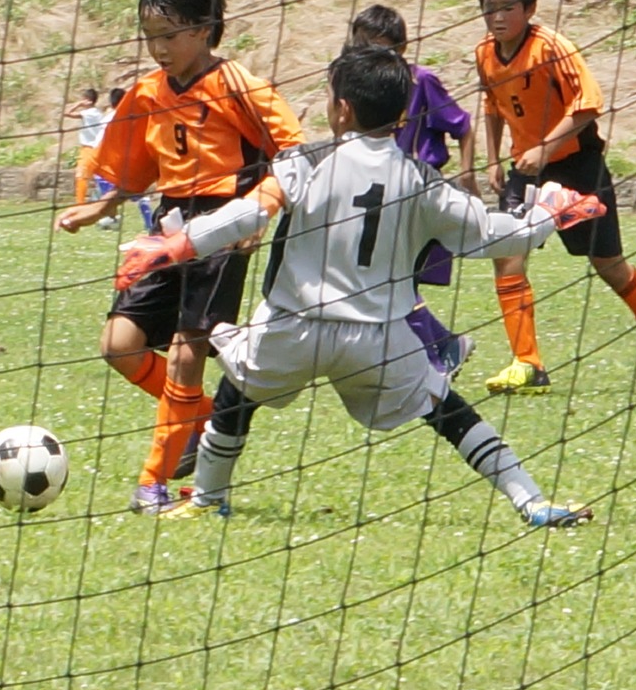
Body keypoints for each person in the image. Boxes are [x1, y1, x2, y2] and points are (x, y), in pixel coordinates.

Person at [115, 45, 601, 525]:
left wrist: (176, 244)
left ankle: (207, 498)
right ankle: (532, 502)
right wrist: (548, 214)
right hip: (377, 339)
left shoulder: (307, 161)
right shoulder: (421, 180)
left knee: (234, 397)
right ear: (402, 113)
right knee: (448, 410)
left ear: (342, 109)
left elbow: (249, 213)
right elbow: (495, 235)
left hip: (293, 327)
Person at [54, 0, 304, 514]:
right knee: (118, 345)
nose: (158, 48)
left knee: (187, 353)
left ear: (204, 28)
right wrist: (99, 208)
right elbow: (135, 168)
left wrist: (259, 211)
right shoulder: (147, 94)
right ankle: (203, 417)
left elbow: (293, 155)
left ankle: (154, 482)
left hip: (223, 226)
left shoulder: (238, 85)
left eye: (168, 35)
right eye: (149, 36)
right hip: (168, 228)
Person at [474, 0, 636, 395]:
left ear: (530, 8)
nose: (497, 17)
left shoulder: (551, 48)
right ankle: (528, 364)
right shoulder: (484, 54)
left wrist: (544, 148)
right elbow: (493, 106)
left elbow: (589, 105)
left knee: (611, 268)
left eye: (507, 7)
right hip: (526, 172)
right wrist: (494, 159)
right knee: (507, 253)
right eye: (489, 7)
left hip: (577, 167)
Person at [349, 4, 477, 378]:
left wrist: (468, 173)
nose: (365, 53)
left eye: (376, 45)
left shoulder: (420, 82)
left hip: (416, 193)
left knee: (392, 279)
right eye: (359, 44)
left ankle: (438, 357)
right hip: (378, 193)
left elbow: (462, 125)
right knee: (385, 279)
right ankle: (443, 347)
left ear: (401, 48)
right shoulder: (358, 86)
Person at [93, 87, 153, 232]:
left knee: (110, 195)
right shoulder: (131, 117)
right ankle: (147, 223)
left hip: (106, 163)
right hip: (121, 161)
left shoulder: (108, 119)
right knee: (136, 196)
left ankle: (111, 218)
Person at [64, 88, 105, 205]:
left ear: (89, 100)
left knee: (81, 176)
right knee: (98, 178)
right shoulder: (98, 113)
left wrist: (78, 104)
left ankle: (80, 203)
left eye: (83, 99)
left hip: (89, 149)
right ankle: (99, 201)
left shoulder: (89, 113)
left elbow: (66, 113)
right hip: (96, 148)